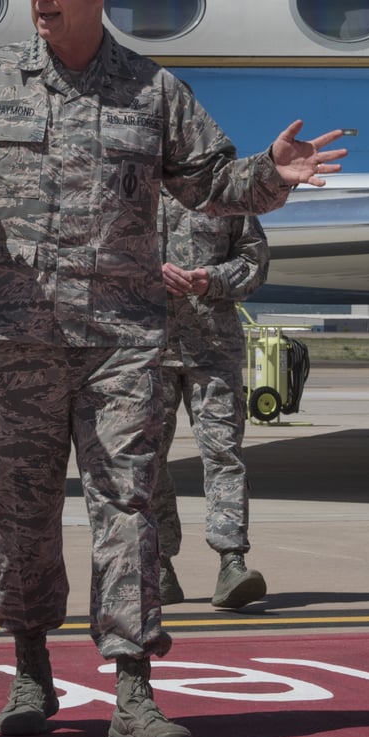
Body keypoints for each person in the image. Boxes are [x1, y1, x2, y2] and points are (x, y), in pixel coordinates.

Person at [0, 0, 345, 737]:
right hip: (15, 344)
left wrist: (269, 173)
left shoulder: (153, 91)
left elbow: (212, 184)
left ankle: (134, 689)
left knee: (130, 510)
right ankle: (30, 668)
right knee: (23, 513)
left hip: (122, 344)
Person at [152, 193, 270, 611]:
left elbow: (254, 261)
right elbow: (94, 258)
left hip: (213, 350)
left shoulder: (224, 194)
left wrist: (213, 278)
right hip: (145, 350)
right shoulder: (126, 184)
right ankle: (157, 565)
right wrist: (147, 272)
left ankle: (232, 563)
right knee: (144, 460)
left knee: (223, 455)